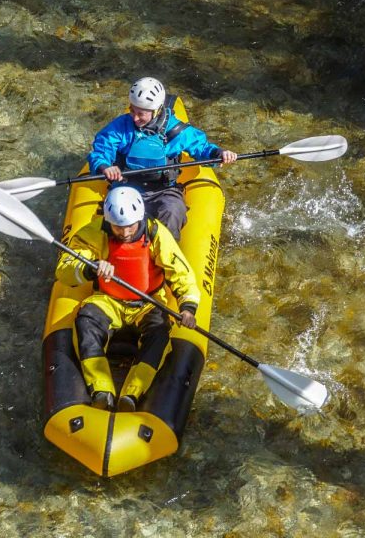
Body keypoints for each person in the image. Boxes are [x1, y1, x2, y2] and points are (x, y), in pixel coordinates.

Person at [56, 186, 201, 412]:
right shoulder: (94, 233)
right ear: (108, 221)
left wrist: (188, 308)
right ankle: (101, 390)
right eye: (118, 227)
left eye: (130, 226)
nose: (124, 233)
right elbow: (64, 269)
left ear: (139, 218)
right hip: (109, 300)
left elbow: (181, 273)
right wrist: (90, 269)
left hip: (148, 302)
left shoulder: (155, 233)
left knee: (161, 329)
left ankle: (132, 394)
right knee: (85, 318)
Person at [88, 76, 238, 240]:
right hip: (126, 187)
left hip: (163, 190)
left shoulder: (175, 130)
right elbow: (102, 147)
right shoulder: (122, 126)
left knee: (172, 210)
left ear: (157, 110)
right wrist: (104, 166)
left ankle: (163, 256)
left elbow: (201, 146)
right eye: (132, 110)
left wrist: (219, 154)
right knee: (115, 219)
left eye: (141, 114)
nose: (135, 118)